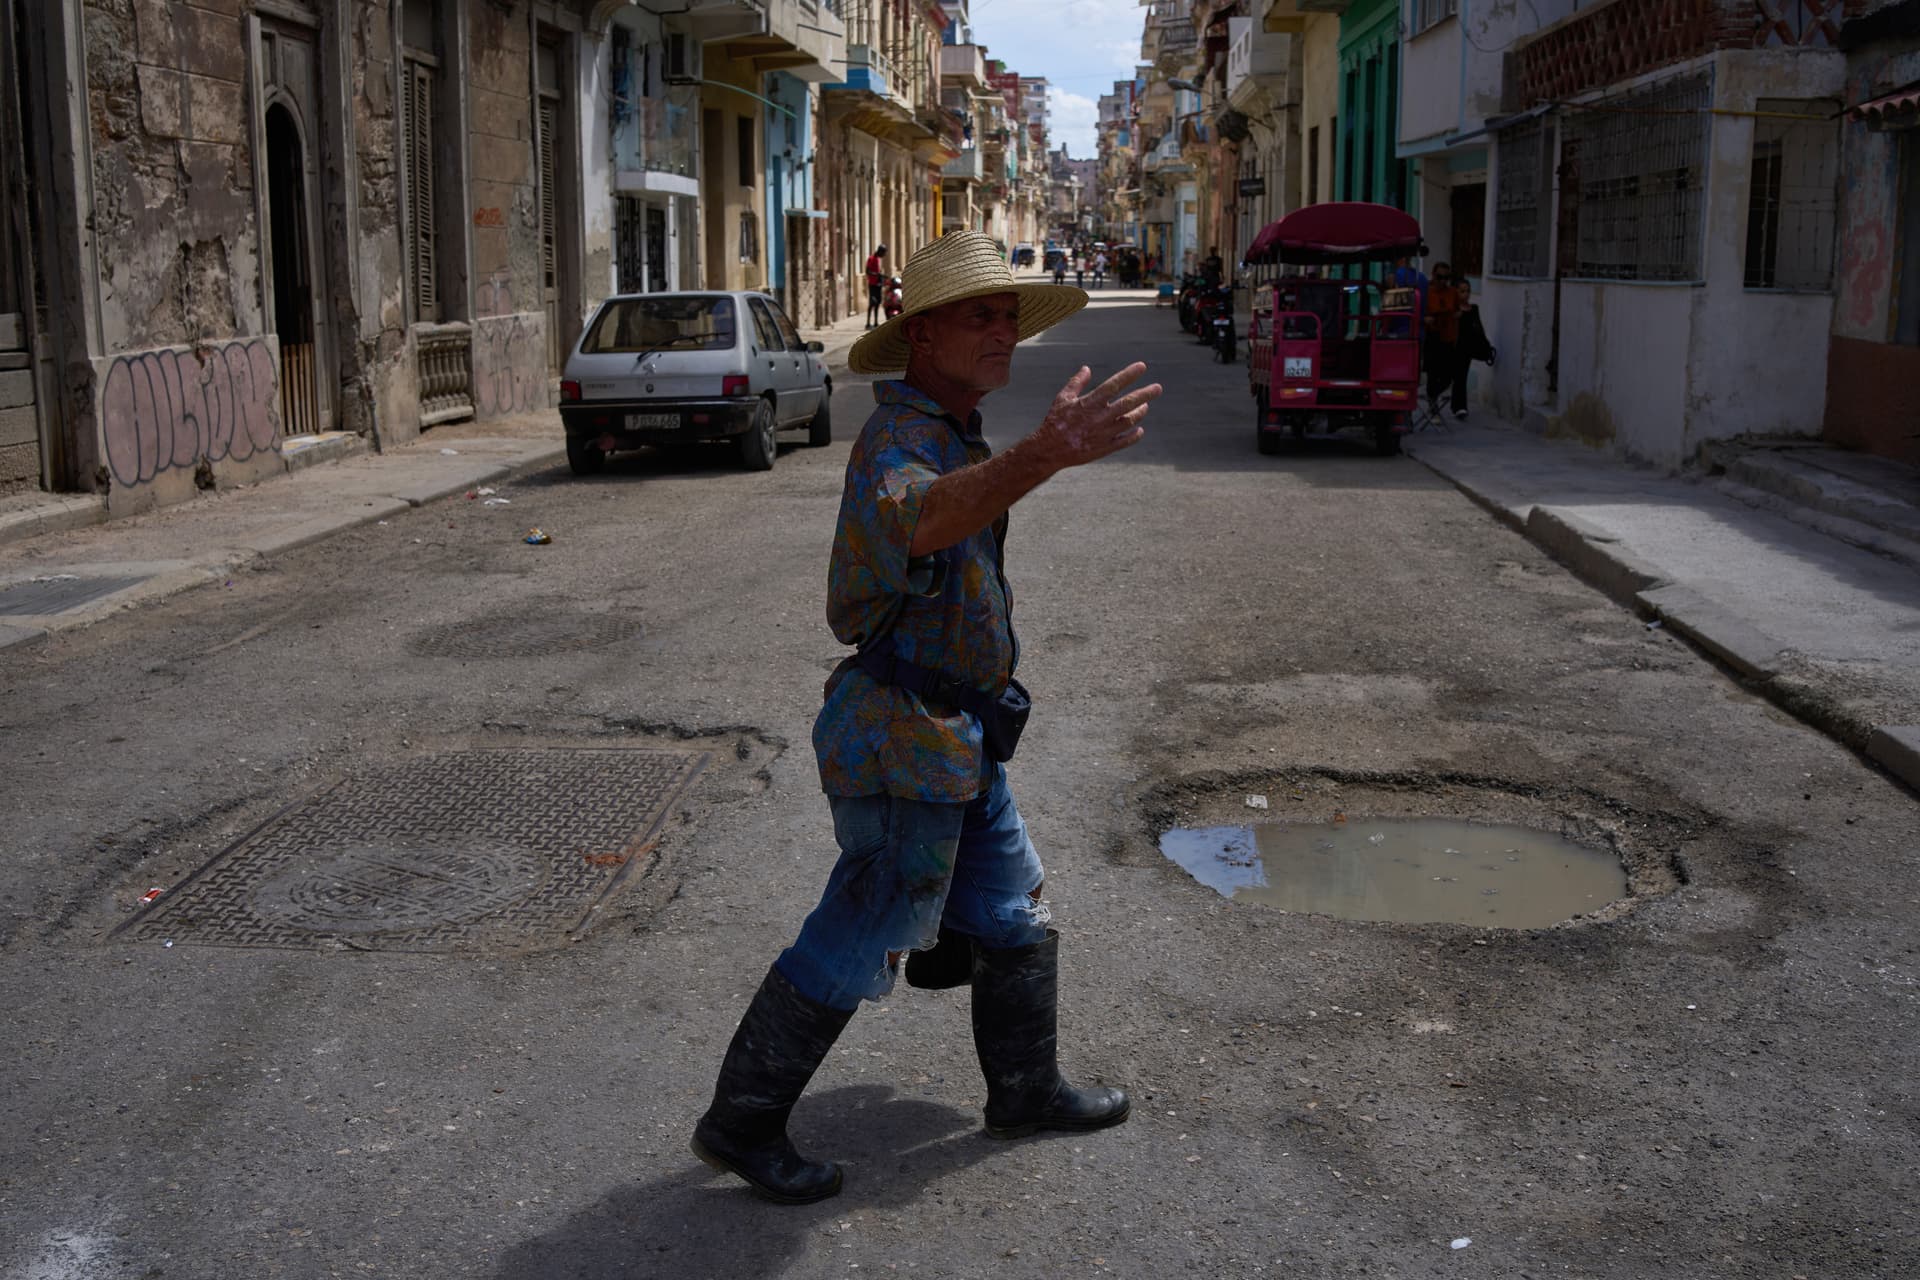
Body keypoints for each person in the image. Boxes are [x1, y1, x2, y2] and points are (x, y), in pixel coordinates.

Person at [691, 230, 1160, 1205]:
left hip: (960, 738)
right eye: (979, 316)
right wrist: (1042, 455)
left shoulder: (948, 427)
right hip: (907, 736)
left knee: (1014, 906)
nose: (1001, 333)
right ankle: (741, 1119)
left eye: (1007, 316)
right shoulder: (899, 438)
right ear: (922, 334)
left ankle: (1024, 1090)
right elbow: (921, 518)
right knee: (863, 922)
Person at [1423, 262, 1467, 420]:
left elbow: (1458, 309)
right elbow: (1420, 313)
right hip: (1432, 336)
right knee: (1432, 373)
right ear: (1434, 276)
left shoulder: (1452, 293)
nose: (1443, 281)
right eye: (1440, 277)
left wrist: (1457, 315)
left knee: (1449, 375)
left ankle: (1432, 396)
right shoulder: (1427, 292)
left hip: (1448, 337)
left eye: (1446, 278)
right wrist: (1425, 319)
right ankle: (1433, 404)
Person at [864, 244, 889, 329]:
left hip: (878, 284)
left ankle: (875, 322)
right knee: (872, 303)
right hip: (872, 284)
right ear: (880, 251)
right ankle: (868, 323)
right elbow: (868, 271)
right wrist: (877, 275)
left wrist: (882, 277)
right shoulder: (871, 259)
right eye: (884, 253)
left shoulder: (878, 259)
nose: (884, 255)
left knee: (878, 303)